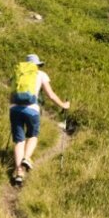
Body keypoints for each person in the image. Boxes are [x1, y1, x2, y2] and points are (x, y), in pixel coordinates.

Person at [9, 54, 70, 185]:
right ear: (37, 65)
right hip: (32, 109)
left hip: (14, 109)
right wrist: (63, 105)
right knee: (32, 135)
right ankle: (26, 158)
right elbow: (51, 95)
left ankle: (19, 172)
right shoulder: (41, 74)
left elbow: (11, 94)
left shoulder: (18, 73)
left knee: (19, 141)